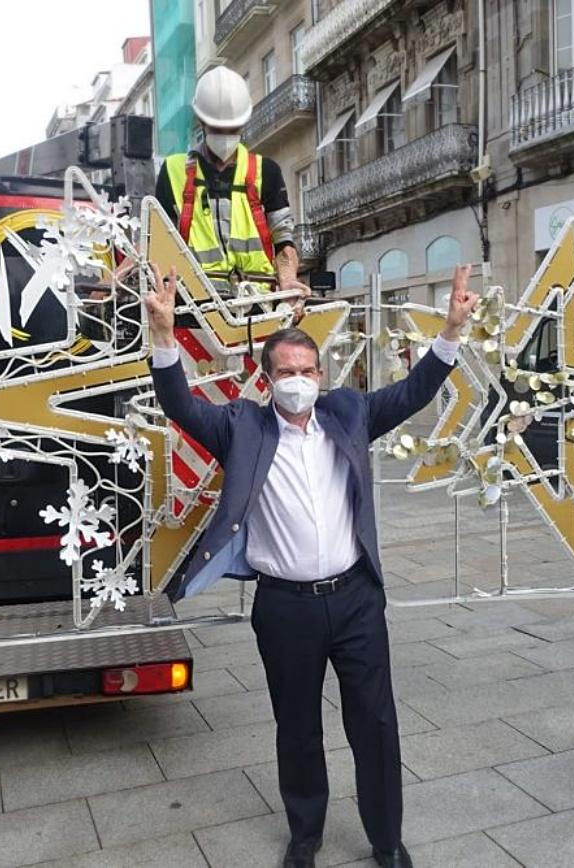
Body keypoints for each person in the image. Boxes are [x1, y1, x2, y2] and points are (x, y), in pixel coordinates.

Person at [145, 265, 478, 868]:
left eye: (306, 371)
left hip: (355, 600)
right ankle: (305, 834)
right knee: (297, 728)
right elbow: (178, 404)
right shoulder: (239, 425)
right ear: (266, 381)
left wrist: (451, 330)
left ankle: (386, 837)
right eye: (285, 374)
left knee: (375, 723)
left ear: (320, 376)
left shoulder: (349, 414)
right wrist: (164, 335)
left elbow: (414, 391)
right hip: (285, 607)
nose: (297, 382)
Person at [155, 65, 309, 302]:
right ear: (201, 121)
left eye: (232, 128)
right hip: (194, 308)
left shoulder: (265, 172)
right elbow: (157, 242)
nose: (225, 136)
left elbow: (283, 239)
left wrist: (288, 281)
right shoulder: (174, 172)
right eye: (218, 128)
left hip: (257, 306)